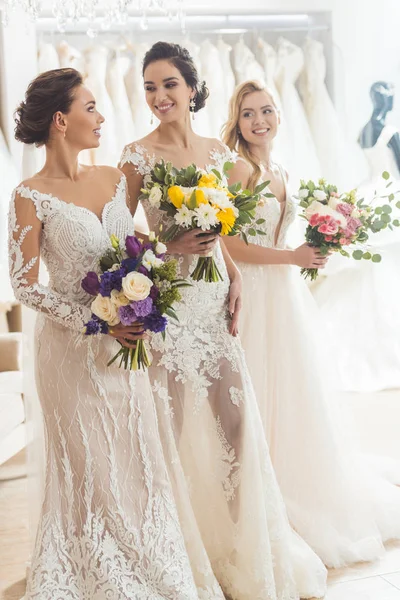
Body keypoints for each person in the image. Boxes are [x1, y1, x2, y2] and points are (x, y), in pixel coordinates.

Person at [119, 42, 327, 600]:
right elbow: (119, 238)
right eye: (149, 87)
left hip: (214, 299)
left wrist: (233, 274)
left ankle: (243, 541)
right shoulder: (136, 156)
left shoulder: (215, 153)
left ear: (191, 87)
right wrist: (167, 240)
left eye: (169, 85)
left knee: (234, 422)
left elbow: (222, 230)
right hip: (172, 303)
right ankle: (181, 547)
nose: (159, 96)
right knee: (176, 426)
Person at [8, 67, 206, 599]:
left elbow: (132, 246)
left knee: (137, 457)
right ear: (60, 120)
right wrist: (99, 320)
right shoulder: (30, 194)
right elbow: (25, 286)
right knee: (89, 465)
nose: (101, 116)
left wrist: (164, 259)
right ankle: (90, 569)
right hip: (72, 353)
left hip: (131, 345)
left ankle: (153, 564)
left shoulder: (115, 180)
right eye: (90, 107)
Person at [222, 79, 400, 568]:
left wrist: (319, 243)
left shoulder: (278, 167)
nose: (259, 121)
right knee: (260, 386)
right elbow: (227, 243)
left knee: (295, 391)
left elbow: (281, 233)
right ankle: (261, 493)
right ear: (236, 123)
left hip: (285, 292)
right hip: (255, 292)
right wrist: (290, 255)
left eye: (266, 111)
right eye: (248, 114)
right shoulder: (239, 169)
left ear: (279, 115)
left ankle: (295, 480)